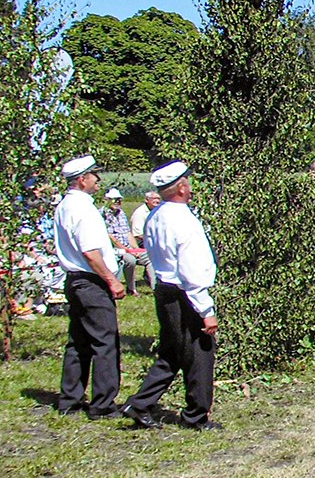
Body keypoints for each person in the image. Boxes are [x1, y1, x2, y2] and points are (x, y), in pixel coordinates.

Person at [125, 160, 220, 431]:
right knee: (200, 353)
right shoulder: (184, 220)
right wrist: (206, 310)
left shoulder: (156, 216)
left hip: (164, 289)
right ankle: (196, 415)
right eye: (187, 184)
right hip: (184, 293)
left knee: (172, 352)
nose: (190, 189)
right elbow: (192, 270)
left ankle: (141, 403)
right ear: (180, 187)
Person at [54, 154, 125, 419]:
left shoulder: (65, 205)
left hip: (75, 280)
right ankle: (103, 404)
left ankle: (70, 399)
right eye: (95, 175)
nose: (98, 179)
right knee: (105, 342)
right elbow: (91, 252)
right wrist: (111, 279)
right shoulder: (83, 209)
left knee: (78, 342)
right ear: (83, 180)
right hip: (91, 281)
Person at [102, 188, 151, 296]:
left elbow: (128, 233)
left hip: (127, 247)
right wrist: (127, 250)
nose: (118, 202)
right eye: (115, 199)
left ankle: (155, 287)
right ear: (108, 200)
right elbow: (111, 237)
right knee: (130, 260)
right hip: (115, 250)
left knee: (150, 256)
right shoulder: (103, 215)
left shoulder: (121, 213)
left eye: (119, 200)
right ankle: (131, 288)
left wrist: (135, 249)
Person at [129, 191, 160, 290]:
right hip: (139, 242)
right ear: (147, 200)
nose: (157, 201)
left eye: (158, 199)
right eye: (154, 198)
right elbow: (138, 234)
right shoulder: (140, 213)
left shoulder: (157, 211)